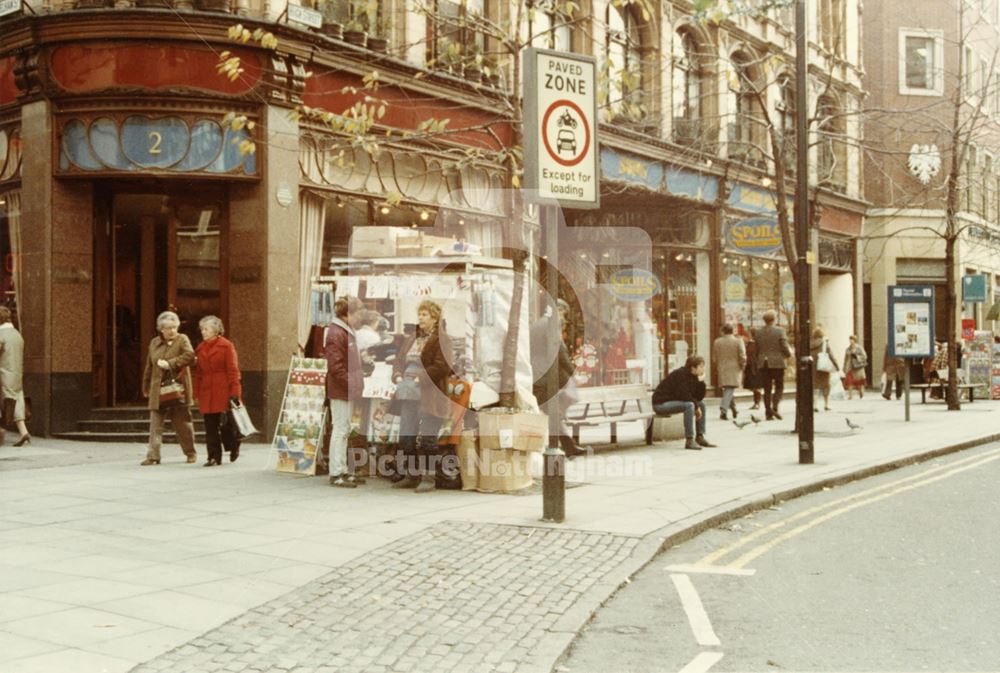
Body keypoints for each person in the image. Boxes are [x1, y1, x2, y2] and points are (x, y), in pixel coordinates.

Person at [392, 300, 455, 493]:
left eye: (425, 314)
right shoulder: (412, 338)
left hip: (430, 393)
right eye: (419, 314)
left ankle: (429, 478)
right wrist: (396, 373)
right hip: (408, 392)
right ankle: (411, 475)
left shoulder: (442, 340)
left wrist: (421, 378)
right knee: (406, 435)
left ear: (435, 318)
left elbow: (443, 365)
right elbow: (399, 359)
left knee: (428, 437)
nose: (420, 318)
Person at [529, 298, 584, 457]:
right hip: (545, 377)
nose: (564, 318)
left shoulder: (537, 324)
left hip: (537, 374)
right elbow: (560, 351)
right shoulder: (551, 325)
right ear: (558, 310)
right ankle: (558, 447)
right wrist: (573, 372)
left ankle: (568, 446)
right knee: (548, 411)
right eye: (563, 313)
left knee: (551, 412)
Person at [141, 310, 197, 465]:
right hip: (157, 388)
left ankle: (190, 452)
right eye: (168, 328)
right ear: (161, 329)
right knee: (155, 424)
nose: (172, 331)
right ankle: (153, 456)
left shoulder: (182, 339)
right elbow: (149, 366)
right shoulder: (154, 343)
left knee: (183, 424)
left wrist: (170, 363)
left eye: (174, 327)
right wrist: (145, 386)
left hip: (177, 389)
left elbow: (190, 355)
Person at [193, 316, 243, 466]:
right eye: (202, 329)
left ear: (215, 330)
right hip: (207, 390)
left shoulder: (226, 346)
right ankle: (213, 457)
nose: (203, 332)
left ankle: (234, 445)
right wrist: (196, 393)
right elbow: (198, 373)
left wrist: (235, 392)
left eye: (206, 329)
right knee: (210, 426)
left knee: (226, 426)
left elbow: (233, 370)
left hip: (223, 389)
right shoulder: (200, 347)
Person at [326, 296, 364, 488]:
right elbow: (336, 366)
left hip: (345, 388)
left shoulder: (344, 331)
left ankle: (343, 470)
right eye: (357, 313)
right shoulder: (337, 333)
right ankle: (337, 472)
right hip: (341, 389)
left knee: (344, 429)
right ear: (346, 314)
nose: (359, 317)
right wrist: (352, 383)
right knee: (340, 429)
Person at [652, 355, 716, 450]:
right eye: (701, 366)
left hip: (673, 401)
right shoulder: (680, 375)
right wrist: (696, 406)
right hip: (660, 404)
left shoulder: (694, 376)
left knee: (701, 403)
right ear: (693, 367)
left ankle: (700, 436)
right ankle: (689, 440)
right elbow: (684, 396)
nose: (703, 369)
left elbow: (699, 397)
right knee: (689, 405)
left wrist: (701, 382)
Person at [0, 306, 30, 446]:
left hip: (4, 374)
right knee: (17, 401)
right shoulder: (17, 334)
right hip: (16, 374)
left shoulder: (2, 334)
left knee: (6, 403)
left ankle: (1, 432)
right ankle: (24, 432)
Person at [754, 310, 791, 420]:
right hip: (777, 362)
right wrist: (788, 355)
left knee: (767, 388)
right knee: (779, 386)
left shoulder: (758, 332)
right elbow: (784, 346)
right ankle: (774, 407)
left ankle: (768, 412)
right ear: (774, 319)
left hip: (763, 363)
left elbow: (756, 349)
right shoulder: (780, 331)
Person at [712, 323, 746, 421]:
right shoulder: (738, 341)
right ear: (732, 331)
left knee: (728, 389)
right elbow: (742, 356)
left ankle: (734, 409)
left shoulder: (717, 342)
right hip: (735, 368)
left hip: (722, 367)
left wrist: (718, 366)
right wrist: (742, 366)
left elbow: (714, 357)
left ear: (723, 331)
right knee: (730, 388)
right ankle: (724, 409)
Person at [810, 327, 839, 412]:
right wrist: (836, 365)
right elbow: (830, 355)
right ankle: (826, 405)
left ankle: (815, 405)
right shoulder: (824, 344)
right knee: (825, 386)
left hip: (813, 367)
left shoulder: (810, 343)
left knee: (815, 387)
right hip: (823, 367)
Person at [742, 330, 763, 410]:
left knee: (755, 385)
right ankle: (756, 401)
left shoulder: (753, 344)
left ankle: (757, 402)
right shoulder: (750, 344)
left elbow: (752, 355)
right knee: (753, 385)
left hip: (753, 367)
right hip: (751, 366)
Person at [843, 334, 868, 399]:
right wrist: (844, 367)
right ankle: (850, 396)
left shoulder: (859, 348)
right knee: (849, 382)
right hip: (850, 367)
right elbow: (845, 359)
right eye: (850, 339)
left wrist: (856, 356)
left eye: (852, 340)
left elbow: (865, 356)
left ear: (855, 340)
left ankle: (861, 394)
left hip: (858, 367)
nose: (851, 341)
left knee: (860, 382)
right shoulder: (848, 349)